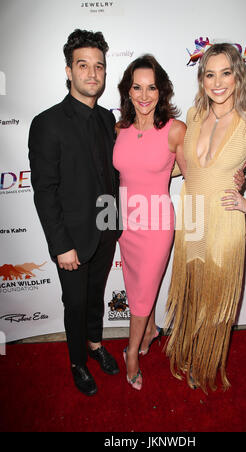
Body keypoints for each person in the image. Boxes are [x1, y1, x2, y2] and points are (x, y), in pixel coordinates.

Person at [113, 54, 246, 390]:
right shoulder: (119, 128)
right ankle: (151, 331)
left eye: (152, 88)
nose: (144, 95)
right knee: (137, 286)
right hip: (124, 222)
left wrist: (233, 181)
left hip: (157, 224)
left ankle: (131, 353)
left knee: (142, 290)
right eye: (137, 88)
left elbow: (194, 175)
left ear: (162, 91)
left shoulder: (175, 130)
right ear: (127, 92)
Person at [165, 43, 246, 393]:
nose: (217, 82)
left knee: (215, 298)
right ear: (201, 79)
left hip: (224, 220)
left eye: (225, 73)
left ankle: (205, 361)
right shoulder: (193, 114)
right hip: (191, 215)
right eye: (209, 74)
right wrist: (149, 170)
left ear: (238, 76)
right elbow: (184, 168)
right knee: (191, 292)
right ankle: (188, 350)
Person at [28, 29, 121, 396]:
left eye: (99, 66)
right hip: (72, 241)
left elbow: (110, 176)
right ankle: (77, 363)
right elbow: (44, 191)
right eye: (83, 65)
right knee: (76, 303)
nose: (92, 73)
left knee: (97, 295)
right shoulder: (47, 123)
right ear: (69, 70)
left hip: (105, 230)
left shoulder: (104, 119)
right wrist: (61, 245)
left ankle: (96, 347)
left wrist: (113, 225)